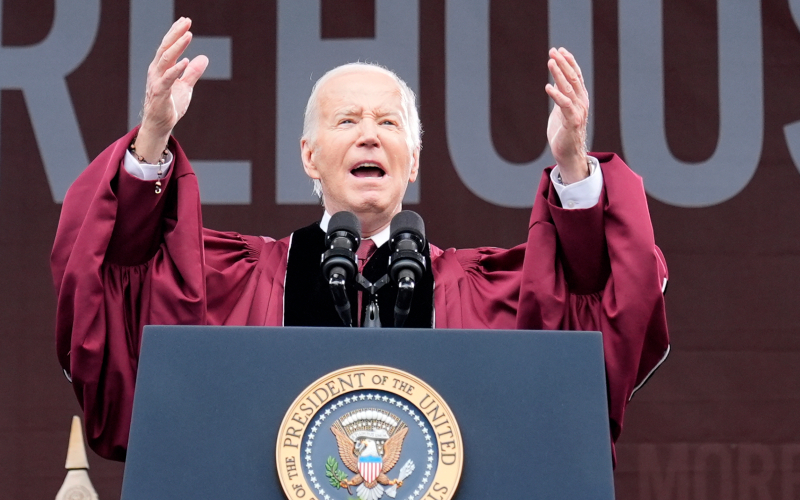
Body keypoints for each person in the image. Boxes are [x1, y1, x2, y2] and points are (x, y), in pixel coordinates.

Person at [52, 18, 669, 462]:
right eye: (346, 121)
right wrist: (154, 136)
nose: (369, 136)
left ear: (414, 159)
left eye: (388, 122)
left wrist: (573, 169)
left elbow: (588, 308)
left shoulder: (484, 296)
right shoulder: (234, 282)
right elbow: (122, 277)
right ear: (310, 157)